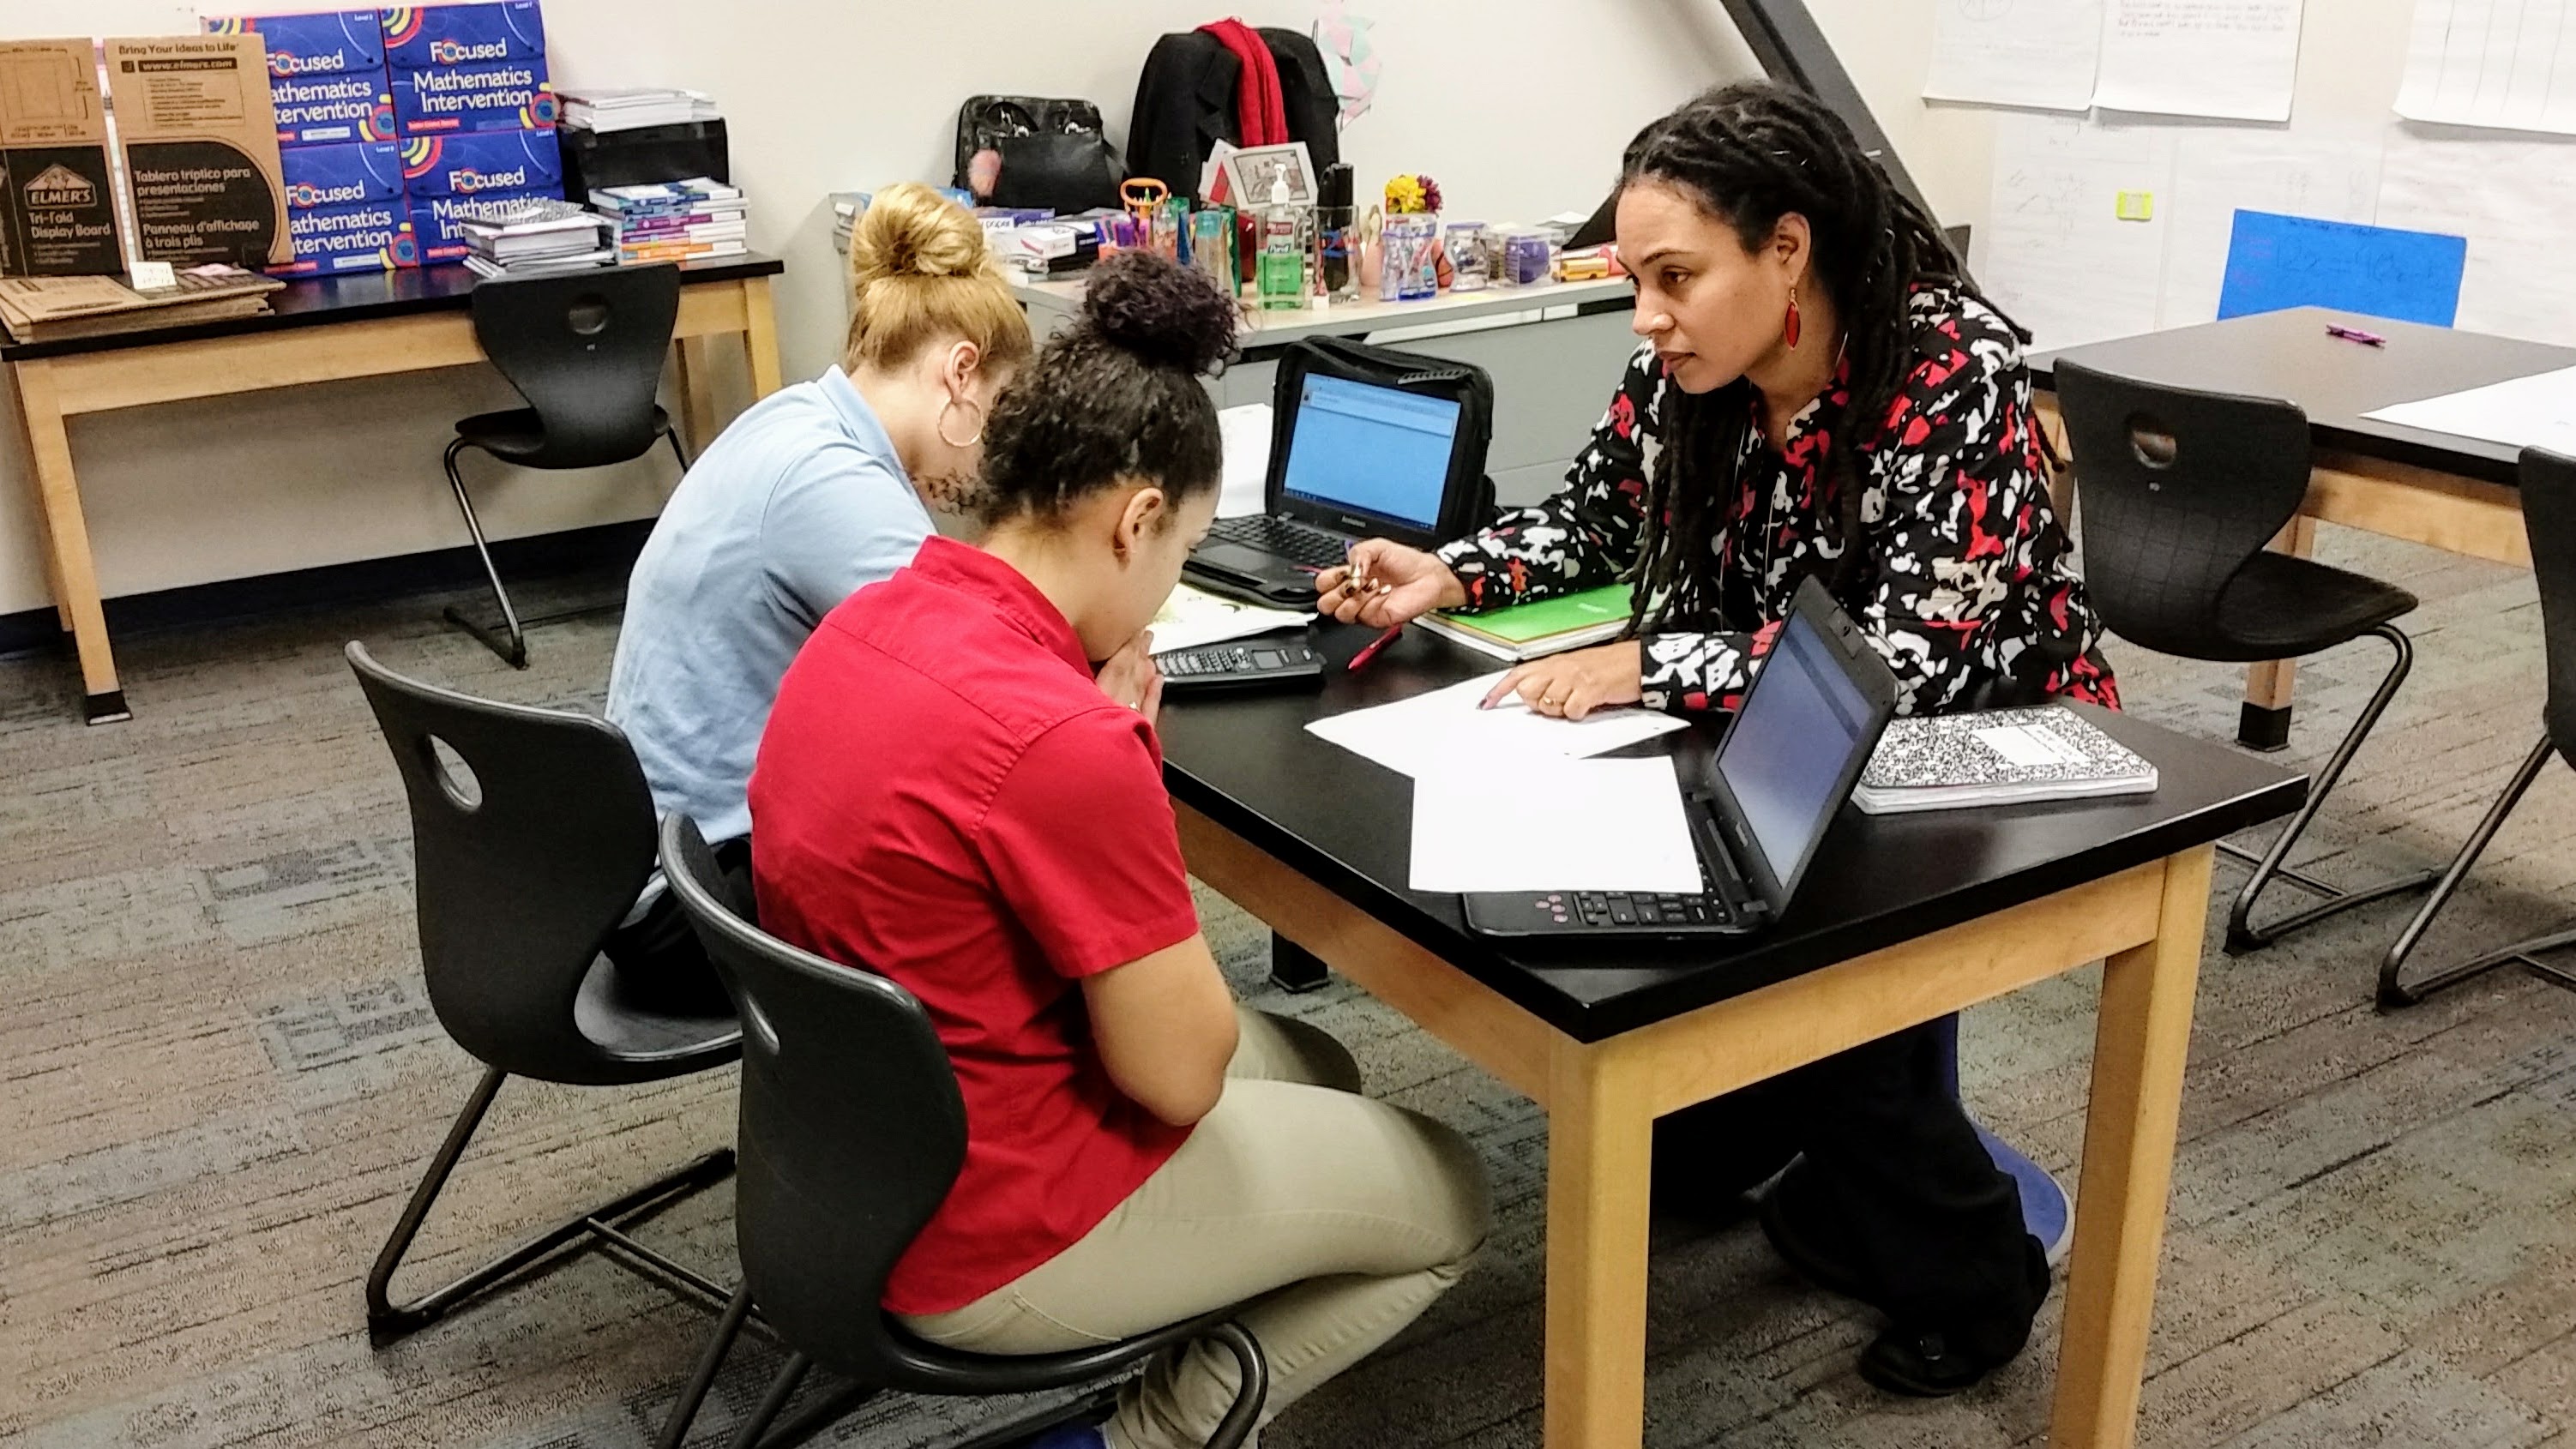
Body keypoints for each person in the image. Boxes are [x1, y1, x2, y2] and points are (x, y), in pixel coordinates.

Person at [1315, 80, 2118, 1395]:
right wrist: (1452, 571)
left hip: (1972, 745)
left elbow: (1904, 665)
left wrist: (1650, 662)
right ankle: (1792, 1133)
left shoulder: (1949, 373)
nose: (1648, 314)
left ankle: (1979, 1280)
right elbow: (1590, 521)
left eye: (1676, 277)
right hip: (1758, 724)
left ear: (1786, 250)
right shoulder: (1682, 369)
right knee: (1681, 1097)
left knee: (1825, 987)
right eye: (1638, 279)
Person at [750, 250, 1491, 1449]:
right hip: (982, 1227)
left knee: (1316, 1066)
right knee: (1450, 1192)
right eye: (1179, 554)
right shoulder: (1062, 741)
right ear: (1137, 520)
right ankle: (1136, 1437)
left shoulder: (868, 618)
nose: (1163, 588)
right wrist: (1120, 765)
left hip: (848, 1157)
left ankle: (1189, 1290)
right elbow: (1178, 1076)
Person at [600, 183, 1031, 1004]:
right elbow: (984, 689)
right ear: (961, 372)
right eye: (1000, 408)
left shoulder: (796, 420)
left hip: (645, 862)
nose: (991, 454)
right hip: (695, 908)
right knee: (1002, 865)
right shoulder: (831, 483)